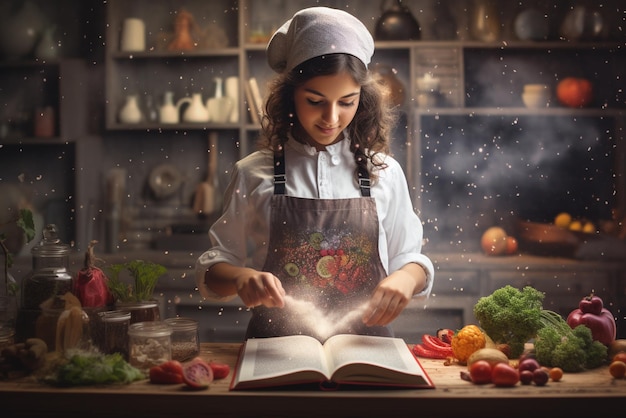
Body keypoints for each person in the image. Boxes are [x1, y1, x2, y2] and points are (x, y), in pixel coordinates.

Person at [195, 7, 434, 340]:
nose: (331, 118)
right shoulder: (252, 172)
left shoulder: (385, 172)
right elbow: (215, 265)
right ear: (291, 96)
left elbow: (410, 258)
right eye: (315, 100)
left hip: (367, 354)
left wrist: (407, 277)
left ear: (361, 100)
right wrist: (239, 275)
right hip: (276, 351)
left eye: (347, 102)